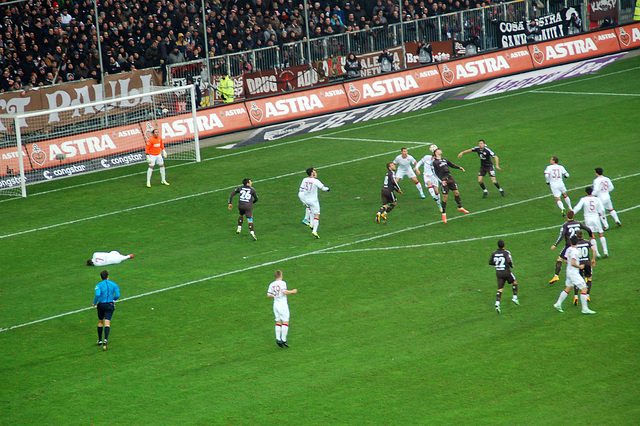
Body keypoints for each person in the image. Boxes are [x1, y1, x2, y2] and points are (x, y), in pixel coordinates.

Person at [553, 235, 596, 314]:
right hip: (574, 273)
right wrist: (580, 266)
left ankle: (558, 303)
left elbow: (565, 260)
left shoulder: (568, 249)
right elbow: (573, 263)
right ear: (578, 242)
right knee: (584, 288)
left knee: (568, 288)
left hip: (568, 271)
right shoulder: (575, 251)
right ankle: (585, 309)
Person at [548, 210, 593, 284]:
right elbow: (588, 229)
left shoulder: (565, 225)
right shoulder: (578, 223)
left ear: (567, 216)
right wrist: (591, 235)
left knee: (560, 259)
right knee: (581, 259)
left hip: (569, 246)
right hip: (578, 245)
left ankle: (556, 275)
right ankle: (585, 277)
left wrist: (555, 245)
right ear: (573, 216)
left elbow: (561, 236)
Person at [431, 147, 469, 223]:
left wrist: (459, 167)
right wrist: (441, 181)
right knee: (445, 197)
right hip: (444, 180)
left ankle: (460, 207)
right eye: (439, 150)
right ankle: (444, 213)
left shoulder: (444, 160)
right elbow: (434, 173)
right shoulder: (434, 162)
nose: (440, 150)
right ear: (436, 153)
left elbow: (451, 165)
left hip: (450, 178)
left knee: (456, 193)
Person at [572, 186, 608, 258]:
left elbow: (578, 207)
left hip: (588, 218)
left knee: (592, 236)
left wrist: (572, 213)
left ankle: (597, 253)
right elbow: (602, 210)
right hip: (596, 217)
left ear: (586, 193)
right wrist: (603, 217)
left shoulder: (584, 199)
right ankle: (605, 251)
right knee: (600, 234)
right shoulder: (597, 199)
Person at [267, 270, 297, 348]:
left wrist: (276, 295)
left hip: (275, 304)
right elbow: (284, 292)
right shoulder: (282, 283)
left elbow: (268, 295)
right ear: (281, 276)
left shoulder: (272, 284)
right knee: (285, 321)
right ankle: (283, 340)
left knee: (278, 321)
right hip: (282, 304)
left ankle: (278, 338)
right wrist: (292, 291)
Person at [92, 270, 121, 350]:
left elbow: (97, 294)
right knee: (107, 321)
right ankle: (106, 339)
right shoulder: (114, 284)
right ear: (108, 276)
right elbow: (118, 295)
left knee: (100, 321)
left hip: (101, 305)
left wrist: (94, 303)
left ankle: (100, 340)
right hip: (109, 304)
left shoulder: (98, 285)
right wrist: (113, 299)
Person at [489, 239, 519, 314]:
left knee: (500, 289)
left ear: (497, 246)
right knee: (514, 282)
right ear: (504, 245)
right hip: (506, 272)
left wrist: (497, 264)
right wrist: (511, 265)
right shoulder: (506, 252)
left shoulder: (494, 253)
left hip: (498, 273)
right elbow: (509, 261)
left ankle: (497, 303)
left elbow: (490, 262)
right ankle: (515, 297)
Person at [298, 167, 330, 239]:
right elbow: (323, 188)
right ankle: (315, 231)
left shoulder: (304, 179)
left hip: (306, 199)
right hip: (314, 201)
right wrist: (328, 189)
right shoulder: (316, 181)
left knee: (310, 210)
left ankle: (311, 224)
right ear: (312, 173)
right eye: (315, 171)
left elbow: (301, 189)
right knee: (317, 215)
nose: (316, 172)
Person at [569, 230, 596, 306]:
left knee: (577, 280)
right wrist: (593, 259)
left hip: (579, 263)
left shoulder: (575, 244)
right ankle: (587, 295)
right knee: (589, 278)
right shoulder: (587, 242)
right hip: (587, 263)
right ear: (583, 235)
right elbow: (594, 250)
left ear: (576, 236)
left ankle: (576, 296)